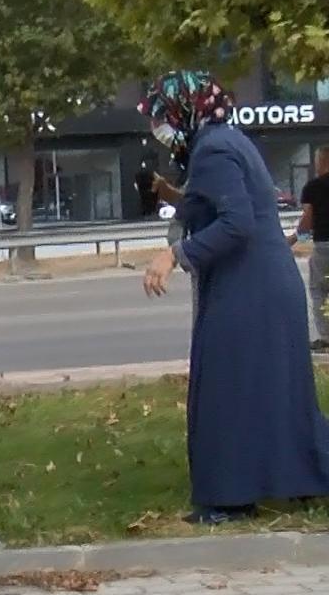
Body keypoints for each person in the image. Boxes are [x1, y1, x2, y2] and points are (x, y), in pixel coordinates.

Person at [140, 72, 329, 522]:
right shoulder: (226, 140)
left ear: (185, 109)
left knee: (227, 388)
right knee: (274, 393)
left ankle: (228, 497)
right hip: (264, 282)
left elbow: (236, 222)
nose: (160, 130)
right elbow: (214, 202)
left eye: (163, 118)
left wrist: (174, 254)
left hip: (250, 286)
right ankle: (298, 480)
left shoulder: (214, 149)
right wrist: (174, 197)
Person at [294, 146, 329, 353]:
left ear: (322, 162)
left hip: (324, 244)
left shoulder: (313, 187)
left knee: (319, 291)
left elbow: (307, 219)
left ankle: (326, 338)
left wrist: (297, 237)